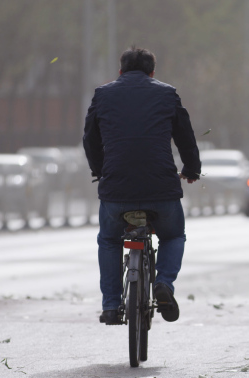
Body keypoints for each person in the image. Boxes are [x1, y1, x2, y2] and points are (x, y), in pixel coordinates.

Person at [83, 46, 201, 325]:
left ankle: (111, 306)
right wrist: (191, 170)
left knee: (110, 241)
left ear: (121, 71)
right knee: (173, 236)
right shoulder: (167, 93)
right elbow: (186, 137)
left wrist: (101, 171)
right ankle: (164, 284)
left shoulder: (103, 94)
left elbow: (90, 139)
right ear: (152, 73)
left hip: (116, 190)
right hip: (161, 188)